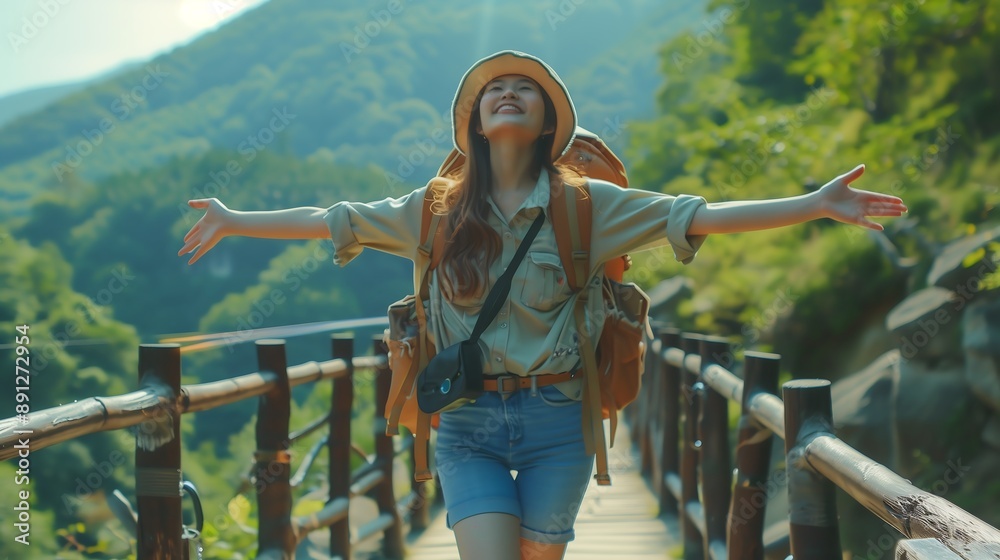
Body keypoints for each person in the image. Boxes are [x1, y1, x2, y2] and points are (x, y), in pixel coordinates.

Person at [178, 50, 906, 560]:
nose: (507, 94)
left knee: (540, 553)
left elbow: (702, 214)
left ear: (548, 122)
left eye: (524, 90)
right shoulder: (431, 211)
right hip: (465, 426)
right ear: (474, 122)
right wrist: (236, 219)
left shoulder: (590, 207)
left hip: (559, 420)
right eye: (495, 89)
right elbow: (333, 218)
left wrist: (813, 205)